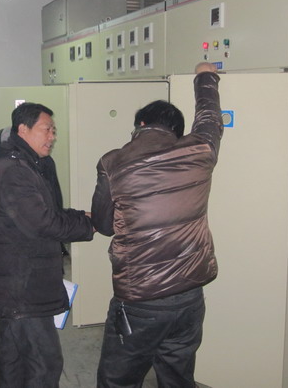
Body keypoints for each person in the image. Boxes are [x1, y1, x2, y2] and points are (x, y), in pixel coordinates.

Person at [91, 62, 223, 388]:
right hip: (190, 296)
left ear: (140, 124)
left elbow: (103, 225)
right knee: (178, 378)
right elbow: (210, 118)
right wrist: (206, 76)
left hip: (140, 299)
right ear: (177, 131)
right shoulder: (199, 151)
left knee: (118, 380)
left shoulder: (113, 162)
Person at [0, 102, 94, 387]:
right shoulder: (14, 171)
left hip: (14, 284)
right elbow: (43, 223)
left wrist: (82, 216)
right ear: (23, 129)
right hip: (22, 287)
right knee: (45, 362)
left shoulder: (28, 165)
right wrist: (89, 225)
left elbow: (47, 212)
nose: (52, 136)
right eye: (47, 129)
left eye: (54, 130)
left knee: (14, 359)